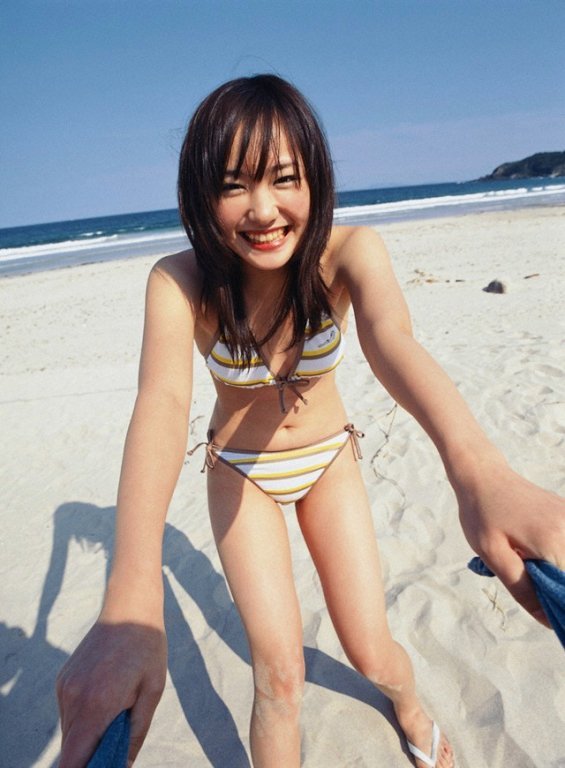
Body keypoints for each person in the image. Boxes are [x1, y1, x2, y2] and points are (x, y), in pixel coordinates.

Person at [56, 74, 564, 768]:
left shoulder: (350, 253)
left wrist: (479, 469)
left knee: (371, 650)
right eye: (233, 185)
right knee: (278, 679)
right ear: (201, 195)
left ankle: (409, 706)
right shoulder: (179, 282)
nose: (262, 210)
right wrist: (132, 593)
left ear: (315, 178)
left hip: (328, 462)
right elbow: (162, 403)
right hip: (241, 475)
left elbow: (393, 342)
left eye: (283, 178)